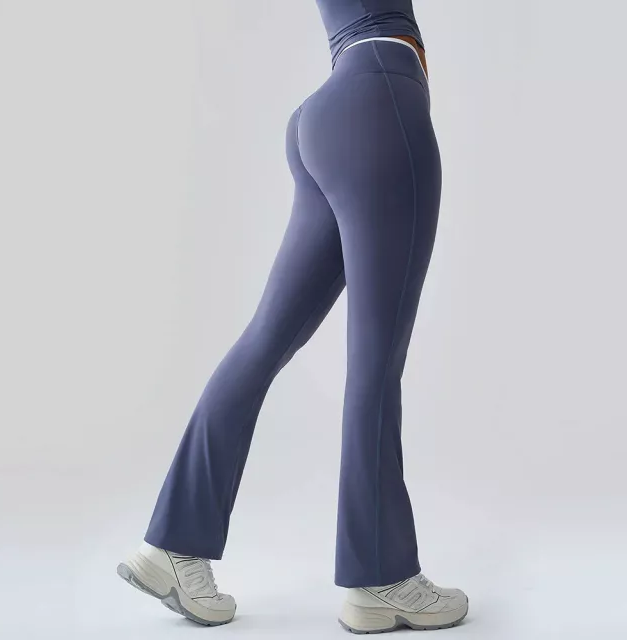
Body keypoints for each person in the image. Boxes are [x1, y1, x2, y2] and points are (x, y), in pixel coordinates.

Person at [117, 0, 468, 633]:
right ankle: (381, 577)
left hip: (327, 115)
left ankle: (173, 545)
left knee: (265, 340)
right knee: (375, 361)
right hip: (382, 101)